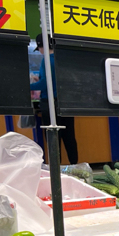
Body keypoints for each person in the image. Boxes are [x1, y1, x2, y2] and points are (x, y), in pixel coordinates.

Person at [30, 34, 78, 165]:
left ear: (42, 46)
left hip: (50, 104)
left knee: (53, 138)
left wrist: (28, 86)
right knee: (69, 136)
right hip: (65, 103)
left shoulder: (46, 61)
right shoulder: (62, 59)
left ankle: (56, 169)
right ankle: (75, 166)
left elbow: (44, 85)